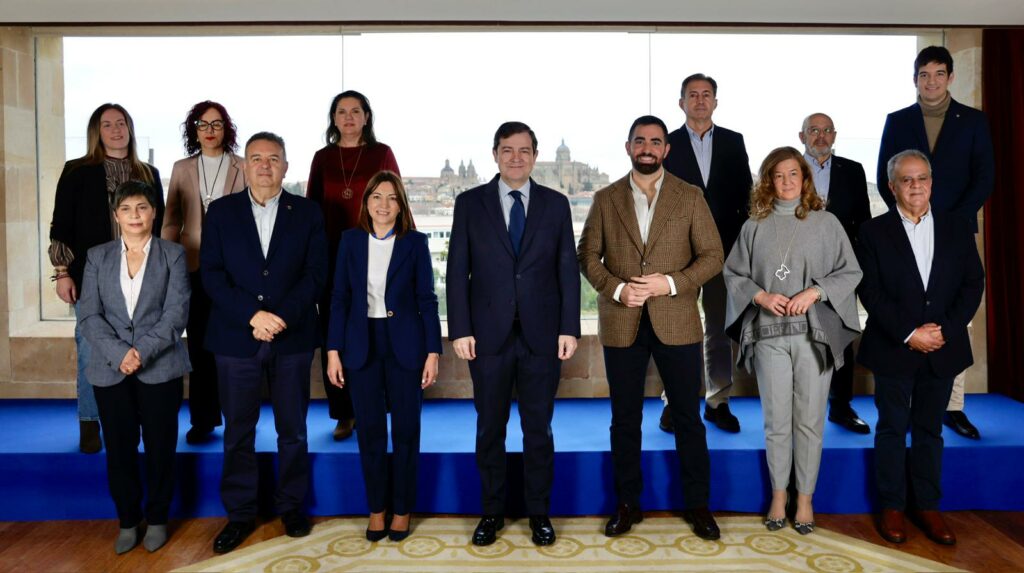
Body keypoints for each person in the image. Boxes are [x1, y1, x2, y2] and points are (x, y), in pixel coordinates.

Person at [578, 115, 724, 541]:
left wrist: (671, 283)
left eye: (655, 141)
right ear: (628, 147)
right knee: (624, 419)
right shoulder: (605, 198)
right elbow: (587, 255)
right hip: (621, 321)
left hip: (677, 320)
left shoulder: (690, 196)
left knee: (688, 418)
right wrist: (618, 289)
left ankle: (697, 504)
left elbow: (713, 255)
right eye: (639, 141)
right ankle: (627, 503)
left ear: (666, 149)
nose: (647, 148)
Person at [446, 121, 580, 547]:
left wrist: (569, 328)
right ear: (495, 154)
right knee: (490, 429)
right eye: (508, 150)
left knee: (538, 429)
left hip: (543, 336)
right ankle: (492, 512)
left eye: (524, 150)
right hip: (487, 337)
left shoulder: (556, 204)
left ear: (536, 156)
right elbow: (456, 272)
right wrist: (460, 329)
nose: (516, 158)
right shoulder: (470, 204)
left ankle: (539, 513)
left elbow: (567, 270)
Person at [723, 146, 862, 535]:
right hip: (769, 335)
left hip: (813, 337)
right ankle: (779, 494)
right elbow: (733, 273)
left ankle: (805, 499)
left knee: (810, 421)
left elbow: (850, 271)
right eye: (778, 175)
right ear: (768, 181)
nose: (786, 182)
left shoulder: (827, 223)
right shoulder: (754, 226)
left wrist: (815, 292)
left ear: (805, 179)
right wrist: (760, 296)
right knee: (776, 421)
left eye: (793, 174)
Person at [200, 132, 327, 554]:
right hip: (236, 336)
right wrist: (252, 316)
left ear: (286, 167)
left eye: (273, 159)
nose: (265, 166)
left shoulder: (307, 212)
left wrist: (281, 317)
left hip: (292, 337)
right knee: (238, 431)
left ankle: (291, 506)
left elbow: (315, 274)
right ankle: (240, 514)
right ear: (244, 166)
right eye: (256, 158)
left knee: (293, 430)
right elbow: (212, 274)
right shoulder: (221, 212)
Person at [858, 150, 984, 546]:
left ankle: (927, 505)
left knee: (930, 430)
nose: (916, 186)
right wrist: (910, 333)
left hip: (943, 347)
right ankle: (892, 506)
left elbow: (972, 284)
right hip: (894, 347)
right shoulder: (872, 231)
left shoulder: (957, 226)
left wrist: (944, 330)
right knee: (892, 429)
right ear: (892, 186)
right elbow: (870, 291)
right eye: (906, 179)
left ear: (932, 182)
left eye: (922, 178)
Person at [876, 45, 994, 439]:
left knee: (958, 316)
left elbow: (984, 177)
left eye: (939, 73)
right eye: (924, 74)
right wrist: (908, 217)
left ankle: (953, 407)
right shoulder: (898, 120)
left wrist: (950, 223)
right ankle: (914, 397)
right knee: (911, 307)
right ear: (915, 79)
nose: (931, 81)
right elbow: (884, 176)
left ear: (950, 77)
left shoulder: (973, 121)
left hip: (955, 232)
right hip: (907, 229)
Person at [325, 171, 442, 543]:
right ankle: (377, 509)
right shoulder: (350, 241)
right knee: (370, 432)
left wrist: (433, 352)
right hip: (361, 346)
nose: (384, 204)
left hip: (406, 347)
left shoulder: (415, 243)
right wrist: (332, 350)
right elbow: (339, 298)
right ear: (367, 202)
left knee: (406, 431)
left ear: (401, 205)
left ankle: (402, 510)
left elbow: (427, 300)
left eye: (392, 198)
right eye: (377, 196)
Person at [77, 180, 191, 554]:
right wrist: (120, 354)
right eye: (126, 209)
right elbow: (88, 315)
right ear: (116, 216)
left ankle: (157, 518)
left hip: (159, 367)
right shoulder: (97, 256)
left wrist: (140, 352)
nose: (135, 215)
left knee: (160, 448)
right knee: (120, 450)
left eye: (142, 207)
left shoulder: (173, 255)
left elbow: (176, 314)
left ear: (154, 212)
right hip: (110, 369)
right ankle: (128, 520)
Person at [49, 103, 164, 454]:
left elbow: (158, 227)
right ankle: (89, 421)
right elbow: (61, 224)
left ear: (130, 128)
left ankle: (136, 420)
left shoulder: (148, 173)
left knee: (140, 347)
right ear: (96, 133)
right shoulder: (77, 171)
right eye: (107, 124)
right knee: (90, 347)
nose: (116, 130)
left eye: (121, 123)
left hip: (141, 276)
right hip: (91, 276)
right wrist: (62, 272)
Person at [307, 90, 401, 442]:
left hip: (375, 254)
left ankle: (371, 409)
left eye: (355, 111)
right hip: (331, 257)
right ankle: (343, 413)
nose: (348, 117)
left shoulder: (381, 153)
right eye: (342, 111)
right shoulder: (323, 158)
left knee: (375, 334)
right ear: (333, 118)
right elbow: (312, 209)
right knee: (336, 333)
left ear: (366, 117)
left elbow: (397, 202)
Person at [662, 73, 752, 433]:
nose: (700, 100)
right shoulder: (667, 143)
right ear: (681, 102)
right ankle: (674, 402)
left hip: (722, 251)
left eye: (706, 94)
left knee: (718, 327)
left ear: (715, 101)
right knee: (675, 329)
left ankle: (718, 402)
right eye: (693, 95)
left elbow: (746, 195)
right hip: (677, 252)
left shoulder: (734, 141)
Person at [162, 100, 247, 444]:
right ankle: (204, 419)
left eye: (216, 124)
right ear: (193, 130)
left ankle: (240, 417)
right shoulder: (182, 168)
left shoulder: (243, 166)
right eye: (203, 124)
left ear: (226, 129)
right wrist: (166, 263)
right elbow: (171, 220)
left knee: (236, 346)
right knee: (199, 345)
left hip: (235, 271)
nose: (210, 131)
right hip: (192, 266)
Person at [798, 113, 873, 434]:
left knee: (841, 335)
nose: (821, 136)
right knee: (799, 337)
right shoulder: (789, 168)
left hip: (841, 266)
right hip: (797, 265)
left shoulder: (852, 170)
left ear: (834, 135)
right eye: (814, 130)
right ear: (802, 136)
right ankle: (800, 407)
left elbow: (864, 221)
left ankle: (841, 405)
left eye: (827, 130)